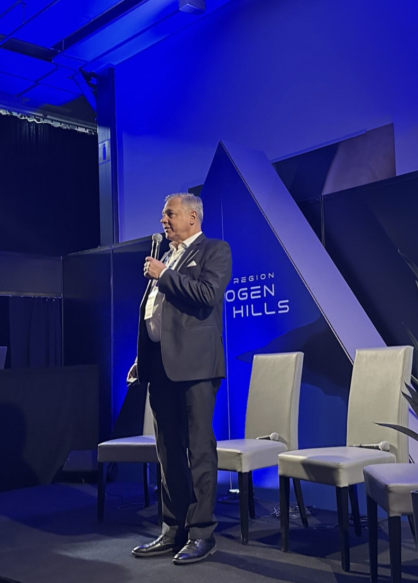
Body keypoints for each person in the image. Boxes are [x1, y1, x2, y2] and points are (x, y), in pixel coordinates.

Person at [129, 193, 232, 565]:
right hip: (160, 366)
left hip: (196, 367)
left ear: (192, 217)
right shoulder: (167, 256)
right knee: (168, 451)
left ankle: (202, 533)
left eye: (169, 214)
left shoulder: (214, 251)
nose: (163, 220)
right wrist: (143, 358)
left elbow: (206, 295)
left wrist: (164, 275)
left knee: (198, 450)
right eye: (163, 215)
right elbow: (155, 314)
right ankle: (173, 529)